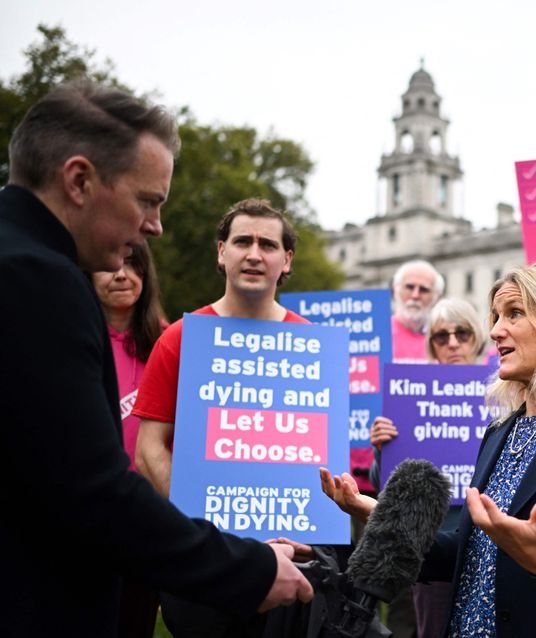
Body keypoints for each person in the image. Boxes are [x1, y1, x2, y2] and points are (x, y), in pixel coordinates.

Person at [0, 81, 310, 637]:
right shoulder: (39, 279)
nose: (156, 226)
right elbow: (94, 492)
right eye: (148, 200)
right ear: (79, 180)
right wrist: (249, 566)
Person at [323, 261, 536, 637]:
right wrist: (384, 518)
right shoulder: (500, 429)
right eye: (495, 316)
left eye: (514, 313)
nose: (495, 331)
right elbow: (467, 552)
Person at [132, 198, 313, 636]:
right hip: (205, 558)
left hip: (288, 556)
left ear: (285, 260)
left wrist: (310, 529)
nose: (254, 253)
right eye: (242, 241)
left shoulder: (310, 344)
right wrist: (201, 524)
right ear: (221, 251)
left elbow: (317, 451)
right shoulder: (179, 339)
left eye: (268, 244)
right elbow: (148, 448)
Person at [368, 297, 487, 638]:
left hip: (491, 541)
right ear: (431, 345)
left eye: (462, 333)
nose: (452, 342)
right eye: (441, 336)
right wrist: (382, 450)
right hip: (433, 542)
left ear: (476, 338)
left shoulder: (505, 395)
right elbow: (385, 486)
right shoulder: (409, 397)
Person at [91, 240, 167, 638]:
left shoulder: (172, 344)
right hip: (88, 517)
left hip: (148, 517)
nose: (122, 275)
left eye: (132, 265)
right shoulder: (73, 343)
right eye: (111, 266)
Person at [391, 259, 444, 363]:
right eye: (409, 287)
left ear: (436, 297)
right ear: (396, 290)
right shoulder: (377, 335)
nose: (415, 295)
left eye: (424, 290)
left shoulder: (447, 338)